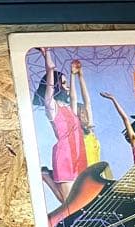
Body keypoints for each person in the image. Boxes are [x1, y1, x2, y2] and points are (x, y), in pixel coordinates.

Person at [34, 47, 86, 203]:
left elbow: (74, 96)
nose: (67, 86)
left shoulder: (70, 108)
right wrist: (47, 54)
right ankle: (46, 176)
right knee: (68, 202)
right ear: (56, 85)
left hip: (80, 154)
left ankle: (47, 175)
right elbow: (51, 70)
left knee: (80, 201)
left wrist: (74, 75)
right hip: (64, 156)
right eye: (63, 83)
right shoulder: (52, 107)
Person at [70, 60, 100, 166]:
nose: (85, 114)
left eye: (85, 112)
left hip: (96, 171)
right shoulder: (76, 130)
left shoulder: (90, 129)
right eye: (81, 113)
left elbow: (87, 102)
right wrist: (72, 75)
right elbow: (73, 99)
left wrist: (81, 75)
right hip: (83, 171)